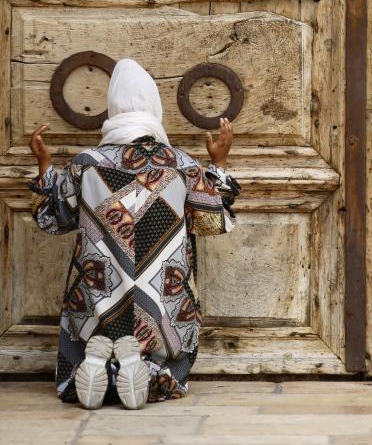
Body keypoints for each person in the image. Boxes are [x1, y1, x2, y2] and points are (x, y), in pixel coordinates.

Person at [28, 59, 240, 409]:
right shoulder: (181, 164)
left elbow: (54, 219)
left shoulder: (86, 163)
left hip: (99, 298)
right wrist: (219, 164)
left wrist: (44, 168)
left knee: (92, 311)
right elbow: (213, 221)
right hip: (161, 302)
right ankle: (151, 368)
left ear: (112, 108)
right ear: (154, 108)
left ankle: (97, 363)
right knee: (171, 317)